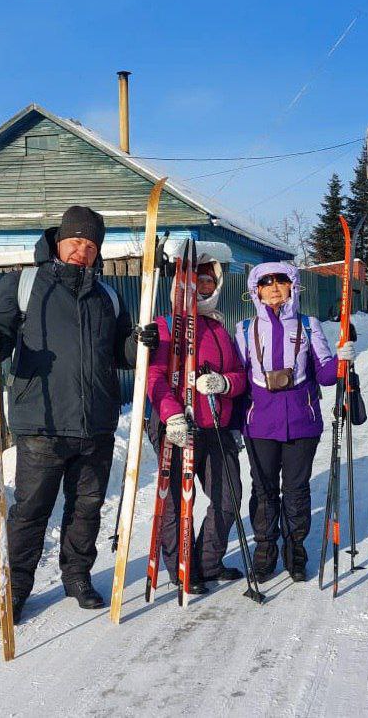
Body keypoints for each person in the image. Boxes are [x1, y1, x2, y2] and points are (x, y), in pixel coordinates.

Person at [0, 206, 158, 624]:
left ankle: (77, 576)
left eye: (91, 245)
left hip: (96, 423)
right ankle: (15, 590)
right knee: (30, 511)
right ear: (59, 241)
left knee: (86, 508)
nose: (82, 250)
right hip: (42, 422)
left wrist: (142, 343)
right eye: (76, 241)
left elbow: (122, 356)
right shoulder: (21, 285)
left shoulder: (107, 296)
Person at [236, 262, 354, 583]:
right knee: (263, 490)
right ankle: (264, 552)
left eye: (281, 281)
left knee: (296, 490)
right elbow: (238, 378)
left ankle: (295, 551)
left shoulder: (308, 325)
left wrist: (343, 357)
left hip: (302, 423)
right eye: (266, 282)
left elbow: (327, 375)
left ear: (293, 286)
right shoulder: (245, 330)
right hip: (259, 424)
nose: (274, 287)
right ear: (255, 290)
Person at [146, 249, 247, 592]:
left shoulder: (220, 328)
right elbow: (155, 376)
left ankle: (206, 563)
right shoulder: (166, 325)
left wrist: (225, 383)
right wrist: (171, 413)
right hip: (177, 425)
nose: (201, 286)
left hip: (216, 425)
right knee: (177, 500)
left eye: (207, 280)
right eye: (195, 279)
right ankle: (181, 568)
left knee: (229, 495)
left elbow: (239, 376)